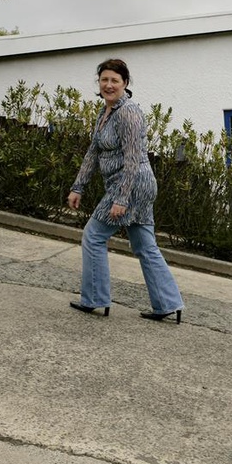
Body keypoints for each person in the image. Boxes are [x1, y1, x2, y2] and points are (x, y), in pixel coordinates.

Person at [67, 58, 185, 324]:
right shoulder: (105, 111)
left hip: (131, 185)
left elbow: (133, 157)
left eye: (114, 81)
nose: (108, 85)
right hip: (133, 186)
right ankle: (168, 303)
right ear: (98, 83)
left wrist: (121, 198)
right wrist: (78, 187)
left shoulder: (128, 112)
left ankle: (95, 299)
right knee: (145, 245)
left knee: (93, 236)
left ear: (125, 84)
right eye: (104, 80)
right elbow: (93, 153)